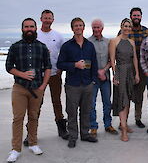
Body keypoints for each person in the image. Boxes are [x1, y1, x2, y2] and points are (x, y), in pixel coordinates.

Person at [6, 18, 51, 163]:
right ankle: (15, 149)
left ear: (36, 28)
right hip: (19, 88)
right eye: (26, 27)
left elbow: (48, 67)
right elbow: (8, 67)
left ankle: (33, 143)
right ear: (22, 29)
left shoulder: (42, 47)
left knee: (33, 117)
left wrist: (44, 85)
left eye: (32, 26)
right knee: (18, 118)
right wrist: (22, 74)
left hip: (37, 88)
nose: (29, 29)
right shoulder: (15, 47)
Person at [57, 17, 98, 148]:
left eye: (80, 25)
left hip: (87, 84)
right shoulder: (67, 46)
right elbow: (60, 64)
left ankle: (85, 134)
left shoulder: (89, 45)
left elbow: (94, 64)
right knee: (72, 112)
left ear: (84, 27)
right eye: (76, 26)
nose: (78, 27)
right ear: (72, 28)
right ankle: (73, 137)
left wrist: (93, 81)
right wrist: (74, 65)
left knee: (86, 111)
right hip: (72, 85)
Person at [37, 9, 68, 140]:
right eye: (45, 18)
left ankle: (61, 128)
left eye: (49, 18)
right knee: (36, 102)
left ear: (53, 20)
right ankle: (31, 132)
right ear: (41, 19)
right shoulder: (35, 34)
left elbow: (64, 53)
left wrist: (61, 67)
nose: (47, 20)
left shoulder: (58, 35)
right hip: (38, 75)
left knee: (57, 101)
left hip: (55, 74)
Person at [110, 18, 140, 142]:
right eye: (125, 26)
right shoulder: (114, 41)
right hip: (120, 72)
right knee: (122, 99)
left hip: (130, 72)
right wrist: (115, 75)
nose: (127, 28)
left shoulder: (132, 42)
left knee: (127, 99)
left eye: (129, 26)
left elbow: (135, 59)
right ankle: (123, 130)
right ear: (121, 26)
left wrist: (137, 74)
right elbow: (112, 61)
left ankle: (125, 124)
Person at [88, 19, 118, 137]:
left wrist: (104, 70)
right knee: (92, 103)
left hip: (105, 77)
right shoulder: (88, 42)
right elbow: (87, 61)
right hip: (93, 78)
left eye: (98, 27)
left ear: (102, 28)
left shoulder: (108, 42)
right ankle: (93, 127)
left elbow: (112, 60)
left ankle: (108, 125)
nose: (96, 29)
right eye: (94, 27)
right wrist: (97, 72)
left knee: (107, 102)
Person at [128, 7, 148, 128]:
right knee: (126, 93)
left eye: (138, 15)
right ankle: (124, 119)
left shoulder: (146, 31)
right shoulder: (125, 30)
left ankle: (138, 118)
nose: (136, 17)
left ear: (141, 17)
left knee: (140, 94)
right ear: (131, 16)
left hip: (142, 66)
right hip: (128, 66)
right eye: (134, 15)